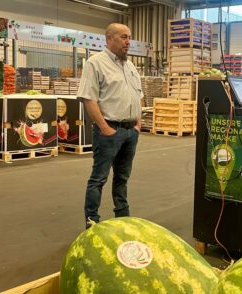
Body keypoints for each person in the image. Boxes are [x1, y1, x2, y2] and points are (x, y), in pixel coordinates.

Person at [77, 23, 143, 228]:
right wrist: (105, 128)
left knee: (122, 178)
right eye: (124, 37)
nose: (128, 41)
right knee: (99, 178)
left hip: (130, 131)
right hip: (109, 131)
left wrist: (138, 125)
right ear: (109, 38)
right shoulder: (95, 63)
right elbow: (89, 99)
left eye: (129, 37)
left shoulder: (130, 66)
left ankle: (123, 217)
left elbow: (138, 96)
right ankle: (92, 221)